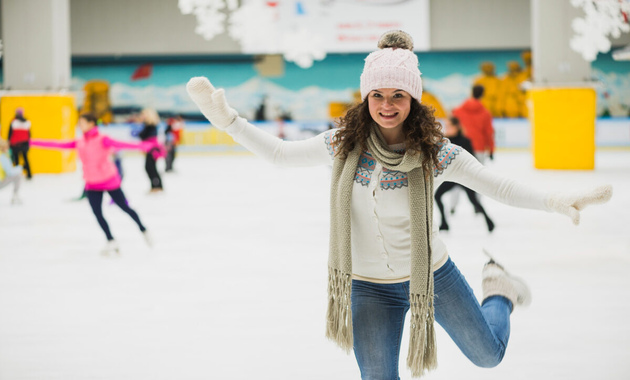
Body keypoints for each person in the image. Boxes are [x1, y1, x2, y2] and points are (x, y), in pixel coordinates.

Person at [186, 30, 612, 379]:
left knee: (488, 356)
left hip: (433, 277)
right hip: (367, 286)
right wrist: (229, 121)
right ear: (365, 98)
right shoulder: (342, 144)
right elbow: (280, 154)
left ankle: (499, 293)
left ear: (413, 101)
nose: (386, 106)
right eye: (377, 96)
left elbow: (496, 186)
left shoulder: (435, 152)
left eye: (398, 96)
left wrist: (556, 200)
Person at [30, 113, 158, 255]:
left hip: (109, 180)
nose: (80, 125)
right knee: (97, 213)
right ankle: (111, 240)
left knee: (125, 208)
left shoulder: (102, 139)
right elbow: (57, 144)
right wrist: (31, 142)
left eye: (82, 122)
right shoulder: (80, 142)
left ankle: (143, 229)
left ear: (91, 123)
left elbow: (122, 144)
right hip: (92, 183)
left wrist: (146, 146)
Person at [434, 117, 494, 232]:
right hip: (451, 178)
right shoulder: (444, 141)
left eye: (449, 126)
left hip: (464, 177)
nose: (446, 129)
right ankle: (444, 223)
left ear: (456, 127)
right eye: (446, 126)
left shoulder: (465, 141)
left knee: (473, 200)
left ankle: (488, 221)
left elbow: (472, 160)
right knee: (437, 196)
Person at [452, 84, 495, 164]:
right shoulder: (485, 113)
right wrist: (491, 150)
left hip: (460, 147)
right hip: (478, 146)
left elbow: (452, 129)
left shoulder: (457, 111)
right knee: (478, 174)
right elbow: (489, 133)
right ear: (482, 95)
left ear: (471, 93)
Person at [138, 108, 164, 192]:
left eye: (143, 114)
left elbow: (144, 136)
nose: (141, 116)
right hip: (151, 149)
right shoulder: (149, 125)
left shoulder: (150, 125)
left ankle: (156, 186)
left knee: (150, 168)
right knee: (151, 168)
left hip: (152, 149)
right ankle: (157, 186)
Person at [7, 107, 32, 179]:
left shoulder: (13, 121)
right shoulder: (27, 122)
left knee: (17, 160)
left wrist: (9, 142)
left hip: (15, 144)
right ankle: (29, 174)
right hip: (24, 144)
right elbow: (29, 134)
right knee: (25, 159)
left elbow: (10, 133)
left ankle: (17, 176)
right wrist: (27, 144)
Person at [0, 139, 23, 205]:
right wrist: (20, 168)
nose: (8, 149)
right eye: (7, 147)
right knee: (18, 176)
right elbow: (10, 172)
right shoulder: (3, 157)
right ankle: (15, 196)